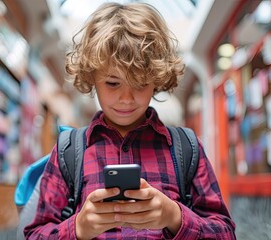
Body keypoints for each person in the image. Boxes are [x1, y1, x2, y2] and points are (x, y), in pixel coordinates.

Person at [24, 2, 236, 239]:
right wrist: (78, 227)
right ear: (92, 76)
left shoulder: (187, 148)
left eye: (140, 83)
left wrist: (174, 217)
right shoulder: (68, 151)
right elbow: (34, 234)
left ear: (156, 79)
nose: (126, 98)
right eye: (113, 83)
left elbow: (225, 233)